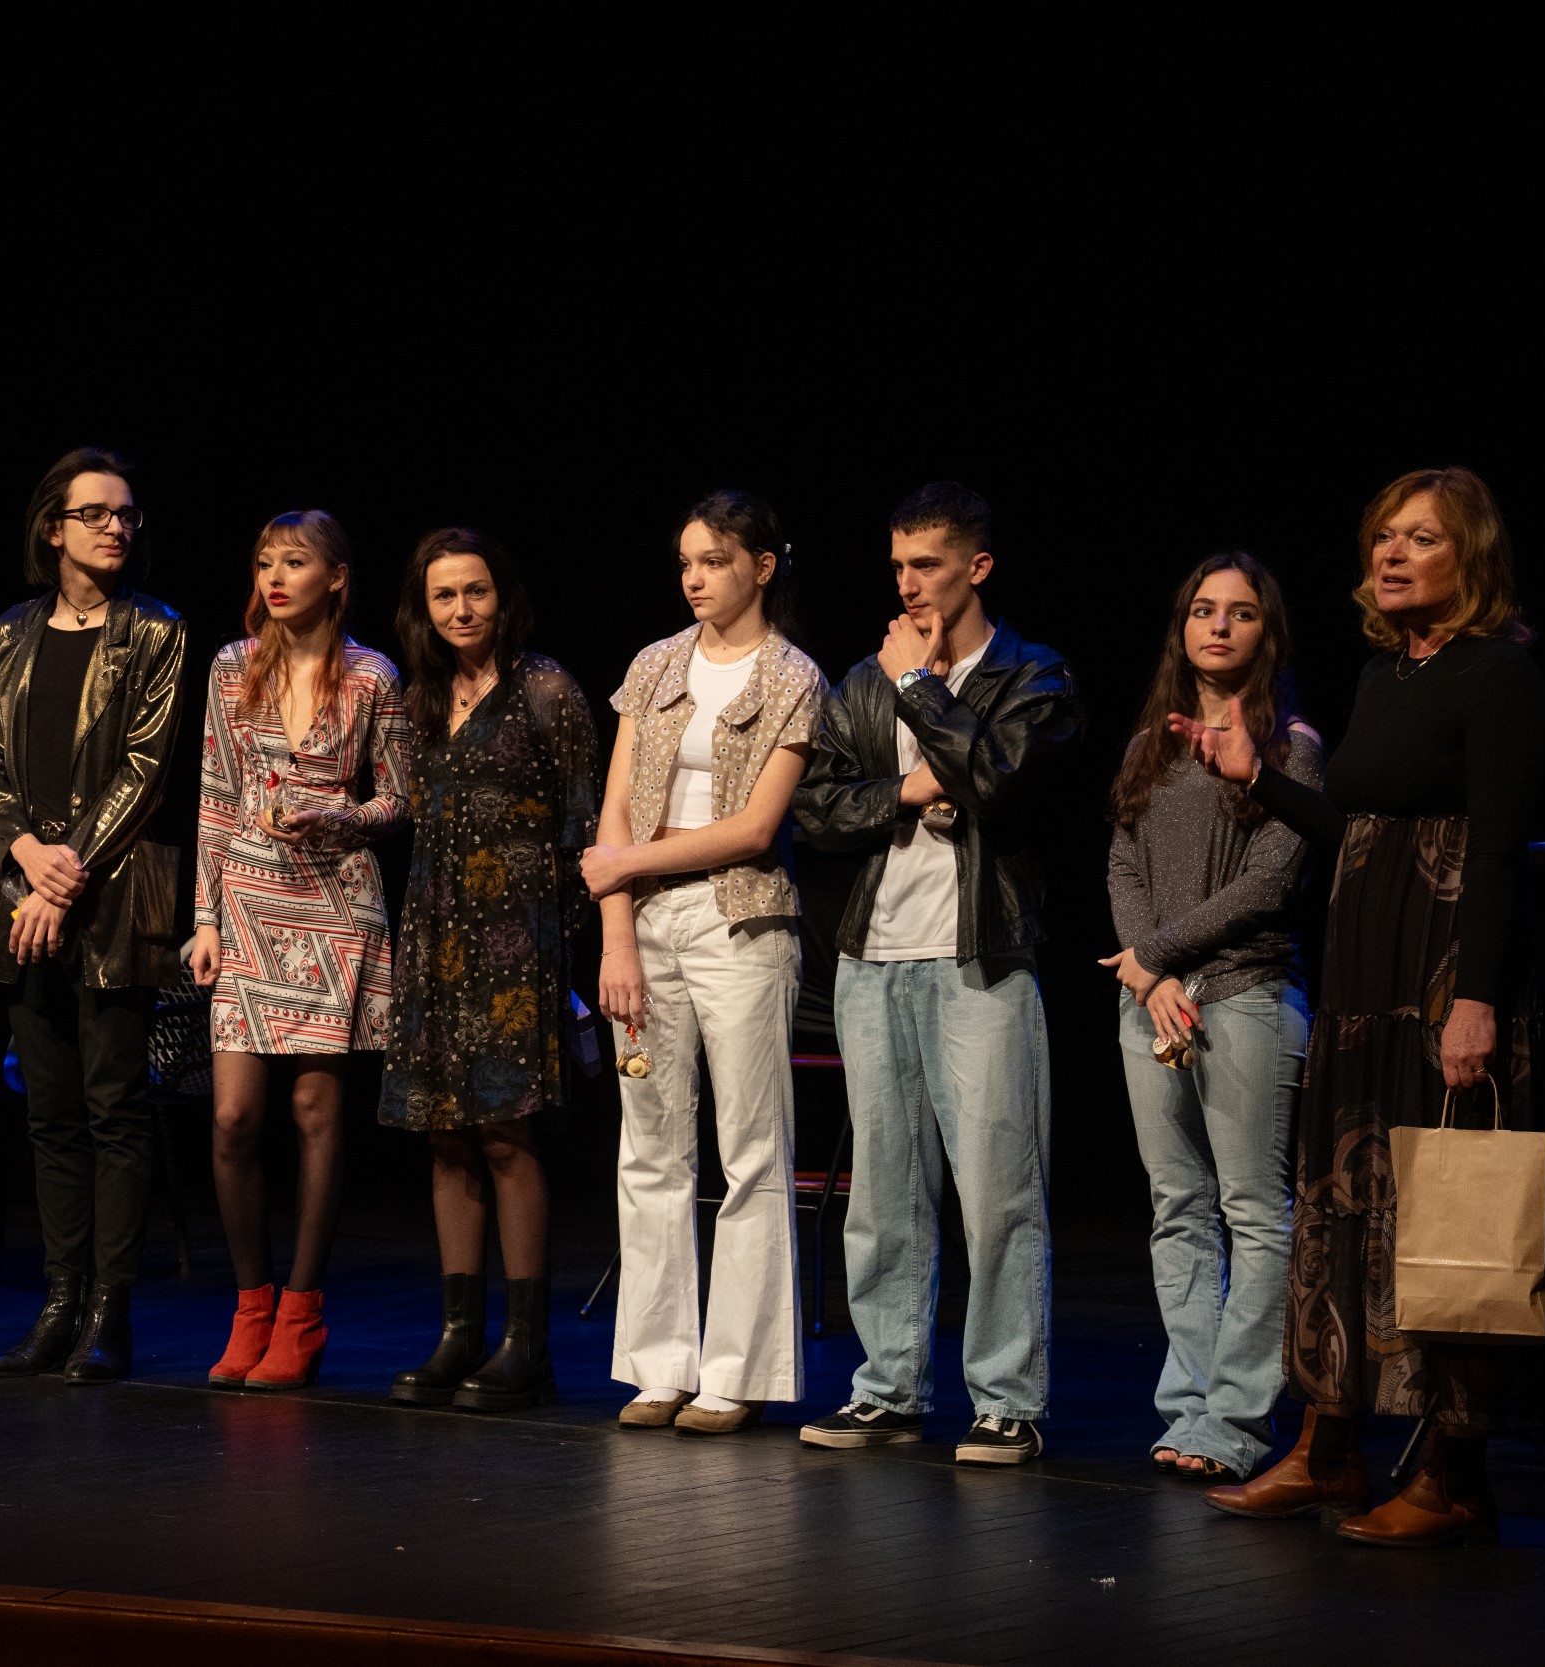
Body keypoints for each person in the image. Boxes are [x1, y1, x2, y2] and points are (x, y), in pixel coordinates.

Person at [1178, 466, 1545, 1547]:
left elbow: (1498, 848)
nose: (1391, 553)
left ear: (1469, 555)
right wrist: (1257, 779)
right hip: (1360, 980)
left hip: (1441, 975)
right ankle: (1329, 1442)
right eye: (1384, 536)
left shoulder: (1499, 672)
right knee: (1342, 1207)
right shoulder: (1386, 673)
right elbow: (1356, 830)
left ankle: (1453, 1472)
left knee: (1446, 1210)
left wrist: (1475, 998)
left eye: (1420, 538)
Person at [790, 480, 1082, 1465]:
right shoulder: (863, 679)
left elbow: (1002, 781)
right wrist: (912, 790)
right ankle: (889, 1387)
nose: (908, 585)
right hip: (872, 959)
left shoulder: (1033, 673)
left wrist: (920, 688)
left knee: (999, 1187)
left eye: (927, 565)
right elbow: (816, 808)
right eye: (898, 567)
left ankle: (1006, 1399)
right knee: (883, 1191)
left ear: (977, 566)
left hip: (979, 957)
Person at [582, 489, 827, 1437]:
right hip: (644, 920)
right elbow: (614, 810)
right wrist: (616, 934)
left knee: (753, 1146)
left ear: (761, 567)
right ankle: (658, 1365)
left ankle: (736, 1372)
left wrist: (628, 864)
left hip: (740, 922)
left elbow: (757, 827)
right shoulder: (654, 663)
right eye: (686, 561)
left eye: (714, 561)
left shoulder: (793, 675)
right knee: (649, 1141)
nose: (694, 578)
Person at [0, 449, 188, 1385]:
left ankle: (110, 1312)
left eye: (126, 514)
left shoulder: (157, 631)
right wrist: (27, 857)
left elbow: (145, 766)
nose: (115, 527)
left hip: (114, 895)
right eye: (94, 513)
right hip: (22, 894)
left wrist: (64, 877)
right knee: (49, 1112)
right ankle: (58, 1304)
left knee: (113, 1107)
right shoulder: (8, 635)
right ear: (52, 527)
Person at [1102, 553, 1321, 1481]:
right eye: (1202, 610)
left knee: (1253, 1211)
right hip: (1153, 1004)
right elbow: (1123, 863)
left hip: (1245, 997)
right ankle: (1188, 1404)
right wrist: (1149, 976)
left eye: (1240, 612)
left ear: (1267, 631)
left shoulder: (1291, 746)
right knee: (1178, 1209)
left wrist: (1157, 956)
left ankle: (1236, 1418)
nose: (1218, 626)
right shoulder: (1150, 743)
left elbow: (1270, 882)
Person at [191, 510, 411, 1390]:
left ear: (337, 576)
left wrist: (339, 814)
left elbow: (399, 798)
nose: (276, 577)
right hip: (247, 898)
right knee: (234, 1117)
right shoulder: (232, 666)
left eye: (295, 561)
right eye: (264, 562)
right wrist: (205, 917)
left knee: (317, 1110)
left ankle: (302, 1312)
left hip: (335, 900)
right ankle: (251, 1304)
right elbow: (215, 791)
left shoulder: (372, 677)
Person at [380, 528, 598, 1412]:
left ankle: (525, 1346)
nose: (462, 608)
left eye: (476, 591)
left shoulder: (547, 690)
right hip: (434, 935)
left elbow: (584, 830)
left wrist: (556, 951)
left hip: (517, 943)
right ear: (423, 607)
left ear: (502, 596)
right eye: (445, 595)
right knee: (445, 1133)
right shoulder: (421, 696)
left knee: (507, 1134)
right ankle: (459, 1333)